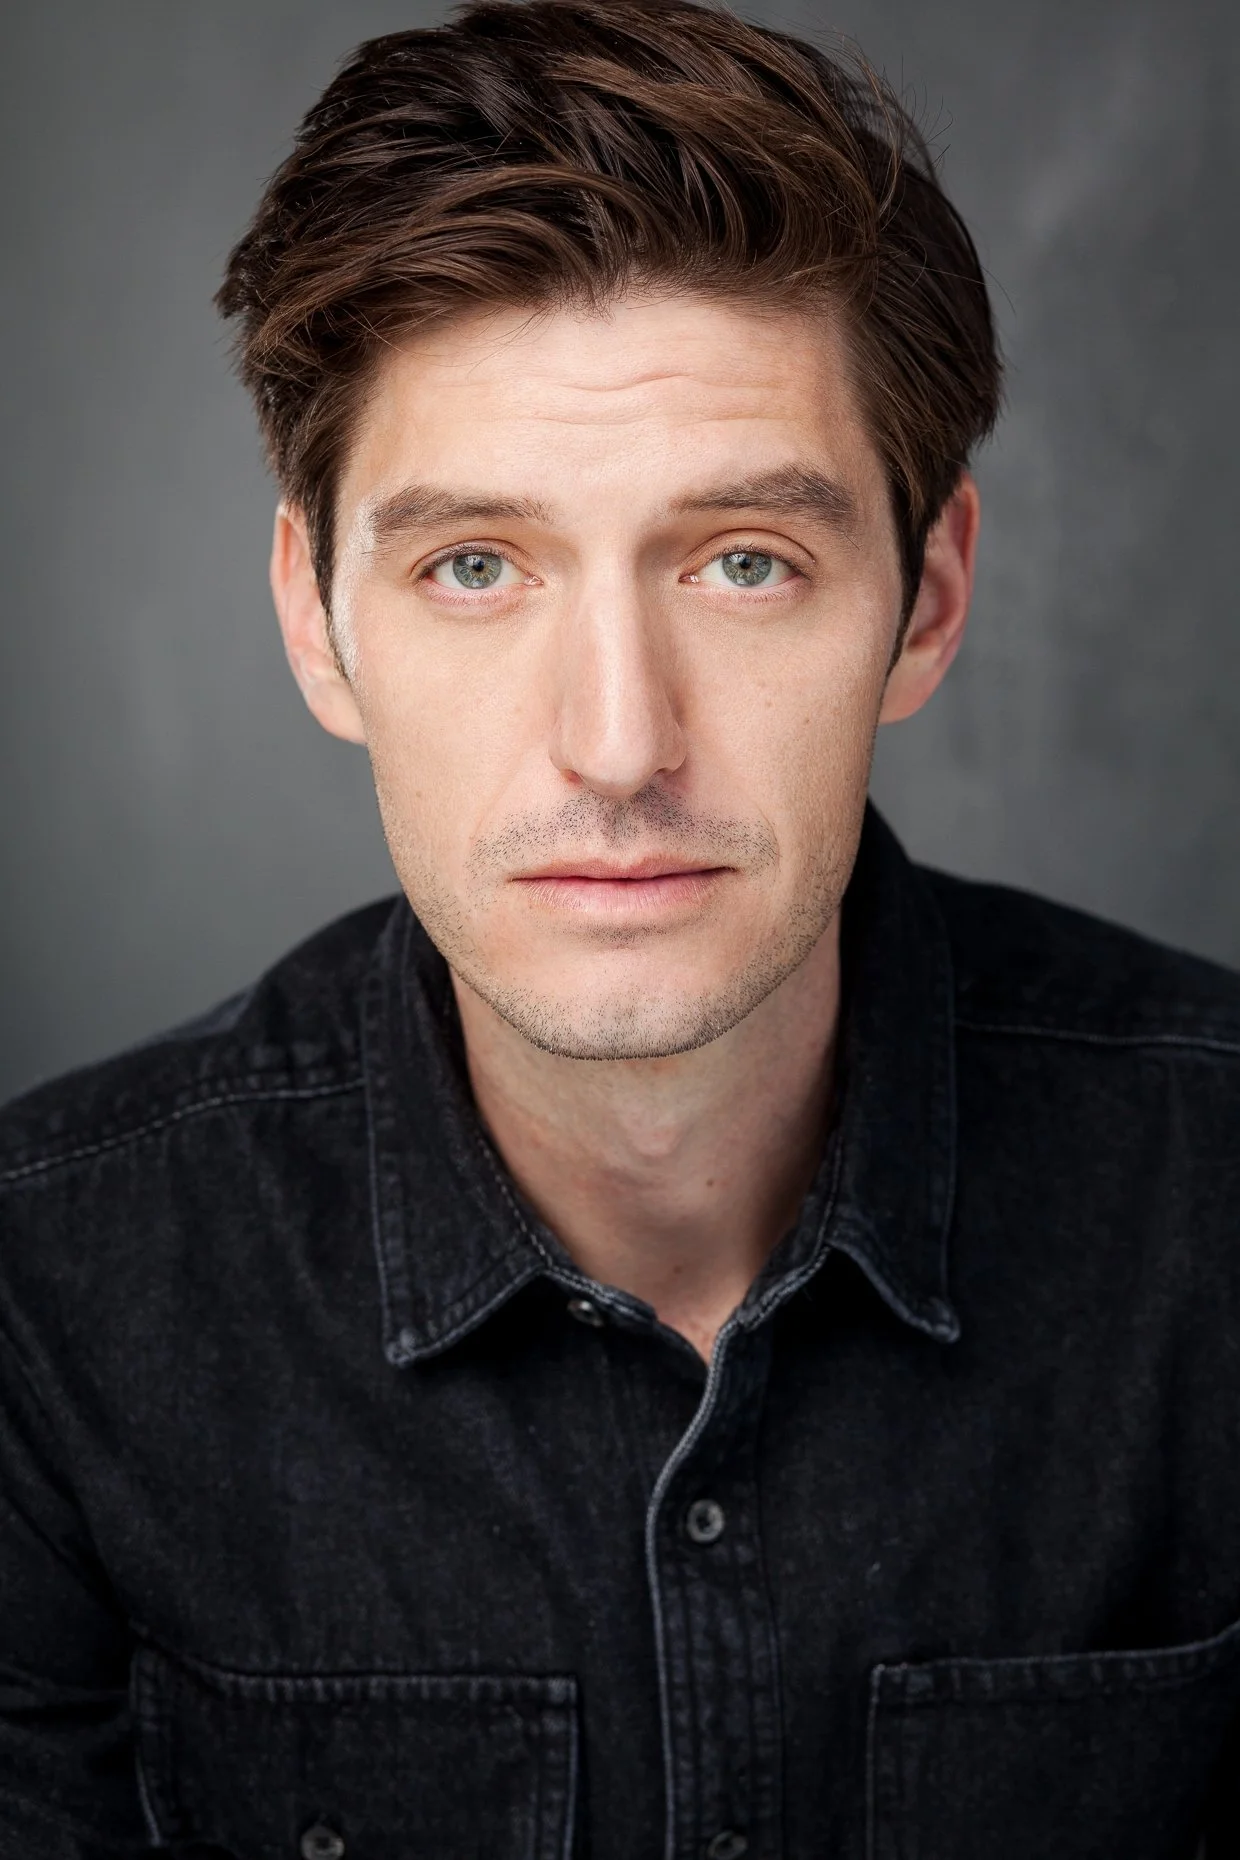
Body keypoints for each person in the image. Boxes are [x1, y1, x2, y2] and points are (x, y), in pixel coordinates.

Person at [1, 0, 1237, 1853]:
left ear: (925, 600)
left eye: (745, 562)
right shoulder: (48, 1299)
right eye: (473, 566)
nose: (617, 742)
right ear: (317, 620)